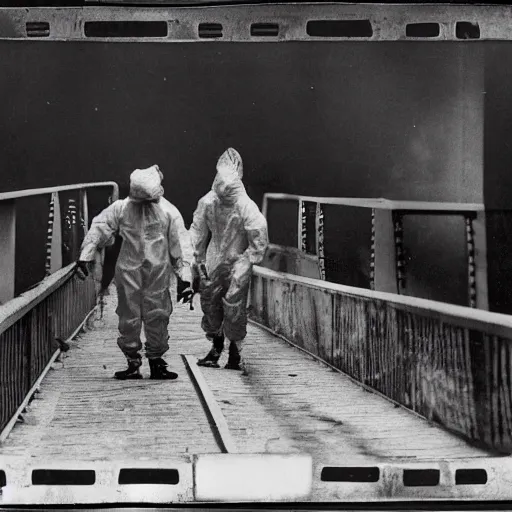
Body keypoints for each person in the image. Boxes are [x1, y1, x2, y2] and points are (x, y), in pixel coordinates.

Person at [76, 165, 194, 380]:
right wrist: (87, 253)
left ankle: (151, 361)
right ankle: (139, 361)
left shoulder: (154, 210)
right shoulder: (133, 208)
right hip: (143, 270)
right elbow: (100, 227)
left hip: (145, 270)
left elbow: (182, 245)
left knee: (156, 314)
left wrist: (185, 277)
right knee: (130, 315)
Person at [189, 148, 268, 371]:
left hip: (237, 260)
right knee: (209, 301)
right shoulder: (208, 202)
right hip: (214, 258)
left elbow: (258, 232)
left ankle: (234, 351)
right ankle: (216, 348)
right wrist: (196, 258)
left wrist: (249, 258)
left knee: (234, 304)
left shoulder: (244, 205)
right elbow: (197, 230)